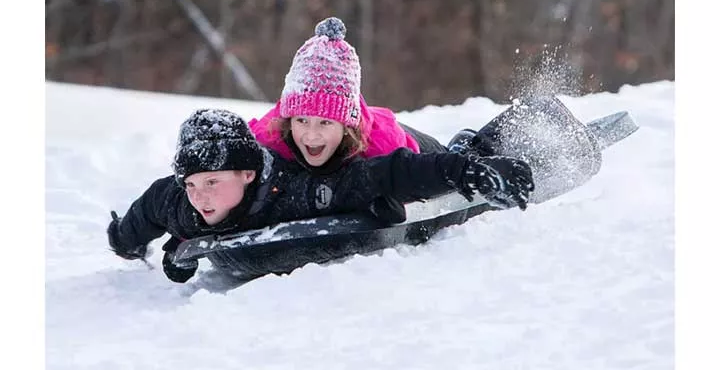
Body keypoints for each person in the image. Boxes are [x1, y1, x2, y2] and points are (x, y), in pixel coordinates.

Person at [107, 108, 535, 284]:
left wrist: (467, 174)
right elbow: (147, 210)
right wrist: (124, 241)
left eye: (213, 182)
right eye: (192, 183)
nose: (200, 196)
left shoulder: (300, 190)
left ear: (247, 173)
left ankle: (475, 148)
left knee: (427, 197)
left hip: (402, 145)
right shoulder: (179, 202)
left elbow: (390, 173)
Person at [248, 17, 447, 175]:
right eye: (301, 120)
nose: (311, 134)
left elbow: (411, 171)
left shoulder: (384, 145)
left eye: (325, 123)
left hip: (393, 133)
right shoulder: (269, 137)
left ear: (346, 126)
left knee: (445, 155)